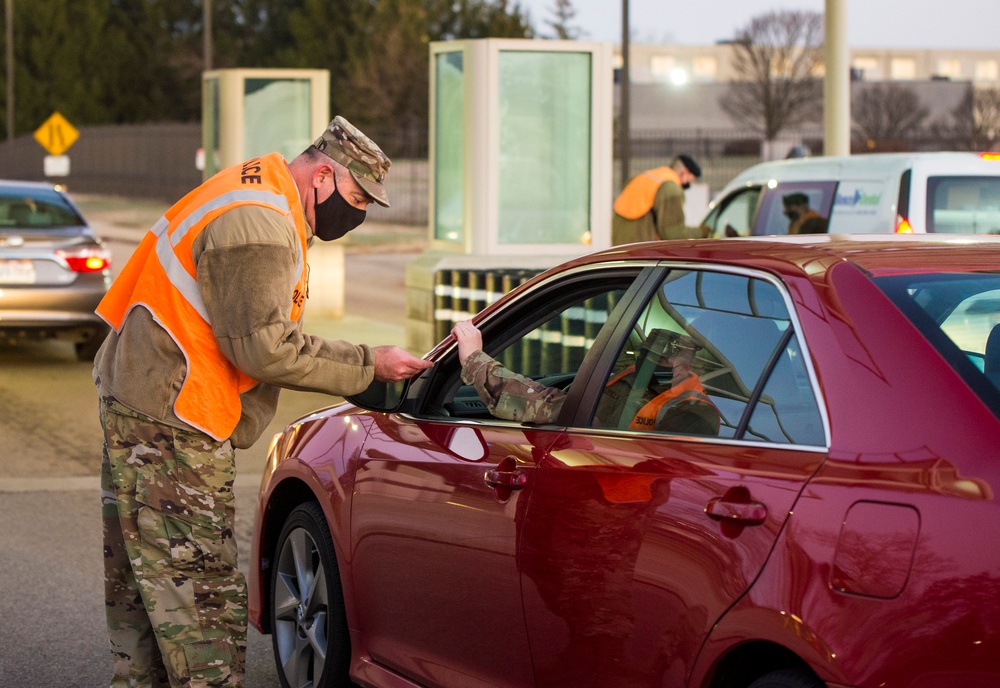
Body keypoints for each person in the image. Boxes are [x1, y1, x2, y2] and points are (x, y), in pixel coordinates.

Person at [94, 116, 433, 687]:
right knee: (200, 601)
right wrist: (368, 365)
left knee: (146, 596)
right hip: (174, 421)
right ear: (323, 174)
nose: (359, 215)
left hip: (143, 403)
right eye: (357, 198)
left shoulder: (256, 189)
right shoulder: (259, 222)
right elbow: (265, 349)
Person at [452, 321, 718, 436]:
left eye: (669, 354)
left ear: (691, 361)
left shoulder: (693, 412)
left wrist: (475, 360)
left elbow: (551, 407)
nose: (656, 360)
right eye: (649, 353)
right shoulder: (632, 380)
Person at [611, 154, 709, 245]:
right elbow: (673, 233)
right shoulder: (671, 188)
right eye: (688, 182)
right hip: (640, 250)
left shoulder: (646, 176)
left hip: (620, 245)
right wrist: (702, 232)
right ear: (684, 173)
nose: (686, 186)